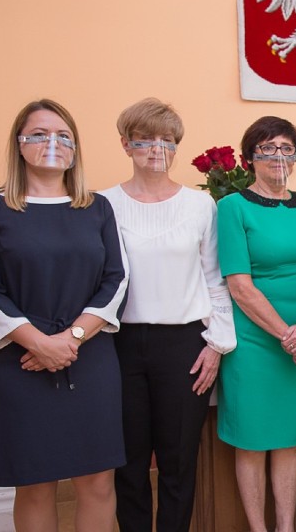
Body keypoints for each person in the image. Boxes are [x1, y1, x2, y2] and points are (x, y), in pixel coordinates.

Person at [0, 99, 128, 530]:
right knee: (36, 482)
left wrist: (71, 339)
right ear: (19, 145)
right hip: (19, 361)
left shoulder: (96, 208)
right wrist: (40, 343)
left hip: (91, 357)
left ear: (75, 148)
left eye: (63, 135)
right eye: (39, 134)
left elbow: (117, 280)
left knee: (97, 480)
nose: (52, 143)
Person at [99, 98, 236, 532]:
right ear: (125, 144)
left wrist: (216, 345)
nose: (157, 149)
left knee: (179, 460)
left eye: (168, 141)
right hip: (119, 344)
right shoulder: (104, 205)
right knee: (129, 462)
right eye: (146, 140)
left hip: (184, 345)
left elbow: (215, 279)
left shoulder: (200, 207)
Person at [216, 116, 296, 532]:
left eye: (286, 148)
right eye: (266, 148)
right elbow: (239, 286)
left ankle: (284, 527)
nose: (277, 156)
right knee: (250, 440)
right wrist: (285, 334)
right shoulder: (231, 207)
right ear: (249, 158)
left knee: (287, 438)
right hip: (255, 342)